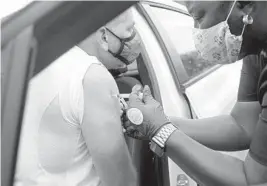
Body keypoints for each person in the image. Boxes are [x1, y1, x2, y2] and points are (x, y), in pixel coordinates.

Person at [123, 1, 267, 186]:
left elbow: (252, 180)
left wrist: (161, 131)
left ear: (246, 6)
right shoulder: (256, 51)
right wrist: (155, 121)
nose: (197, 31)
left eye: (199, 17)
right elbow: (242, 126)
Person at [15, 8, 140, 186]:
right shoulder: (91, 77)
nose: (134, 37)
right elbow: (121, 181)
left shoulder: (30, 61)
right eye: (129, 30)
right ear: (104, 36)